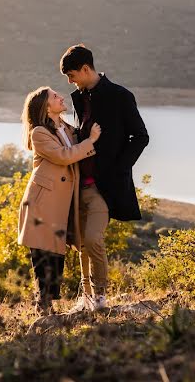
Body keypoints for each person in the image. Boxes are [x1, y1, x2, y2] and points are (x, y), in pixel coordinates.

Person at [61, 44, 149, 312]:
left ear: (86, 69)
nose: (70, 81)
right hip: (80, 184)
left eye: (72, 74)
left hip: (105, 186)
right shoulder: (78, 97)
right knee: (81, 244)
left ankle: (100, 298)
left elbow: (141, 137)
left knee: (93, 239)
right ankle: (86, 297)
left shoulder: (120, 95)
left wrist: (120, 169)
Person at [17, 86, 101, 315]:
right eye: (55, 96)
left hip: (58, 201)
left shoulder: (65, 127)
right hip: (42, 201)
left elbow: (77, 141)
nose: (60, 97)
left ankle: (46, 307)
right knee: (44, 256)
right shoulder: (39, 133)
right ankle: (43, 309)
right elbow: (64, 156)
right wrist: (92, 140)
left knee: (55, 257)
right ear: (46, 106)